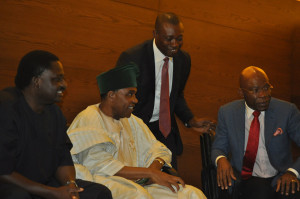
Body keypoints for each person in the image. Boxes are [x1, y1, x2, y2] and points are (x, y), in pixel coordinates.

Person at [67, 64, 207, 199]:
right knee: (139, 196)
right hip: (102, 185)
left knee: (191, 194)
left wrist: (152, 172)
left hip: (139, 183)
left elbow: (159, 150)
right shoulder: (89, 117)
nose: (135, 100)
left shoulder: (132, 121)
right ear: (111, 95)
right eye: (130, 94)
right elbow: (101, 166)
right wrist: (149, 173)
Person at [0, 50, 112, 199]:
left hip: (44, 184)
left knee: (98, 193)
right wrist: (51, 193)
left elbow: (62, 157)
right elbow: (3, 171)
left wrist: (70, 185)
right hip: (11, 185)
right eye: (56, 79)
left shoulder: (54, 112)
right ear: (37, 82)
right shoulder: (7, 107)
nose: (64, 85)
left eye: (63, 79)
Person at [115, 12, 215, 168]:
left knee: (169, 183)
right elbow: (118, 100)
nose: (174, 44)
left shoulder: (183, 60)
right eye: (168, 39)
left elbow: (176, 96)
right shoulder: (133, 58)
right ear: (155, 34)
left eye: (179, 38)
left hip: (164, 131)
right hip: (133, 129)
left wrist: (190, 120)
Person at [211, 66, 300, 199]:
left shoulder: (287, 111)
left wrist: (293, 172)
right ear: (241, 93)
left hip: (281, 175)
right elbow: (218, 148)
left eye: (266, 87)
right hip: (247, 177)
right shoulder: (228, 112)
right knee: (259, 192)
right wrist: (221, 159)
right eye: (255, 90)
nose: (263, 95)